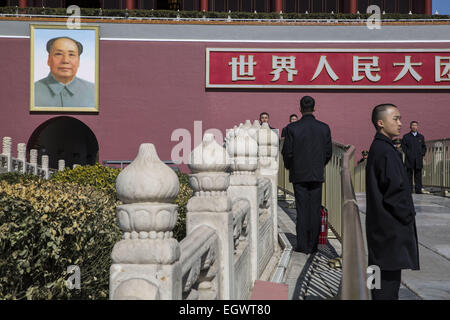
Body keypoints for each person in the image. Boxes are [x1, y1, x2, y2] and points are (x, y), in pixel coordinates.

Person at [366, 104, 420, 300]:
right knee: (388, 287)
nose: (400, 123)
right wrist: (408, 216)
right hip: (390, 231)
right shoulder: (387, 152)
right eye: (395, 118)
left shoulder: (377, 147)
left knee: (376, 278)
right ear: (381, 123)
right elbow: (395, 192)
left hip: (378, 231)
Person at [281, 96, 332, 254]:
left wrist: (291, 167)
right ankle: (314, 245)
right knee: (315, 209)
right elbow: (328, 152)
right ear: (314, 108)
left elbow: (287, 153)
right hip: (316, 173)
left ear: (300, 109)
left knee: (302, 210)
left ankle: (302, 245)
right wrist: (319, 165)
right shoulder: (324, 128)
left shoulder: (292, 128)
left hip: (299, 174)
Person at [34, 37, 95, 108]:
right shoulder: (32, 91)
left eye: (71, 55)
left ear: (78, 61)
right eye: (58, 54)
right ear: (49, 59)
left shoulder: (94, 91)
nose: (65, 60)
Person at [401, 121, 426, 194]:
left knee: (418, 175)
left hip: (418, 159)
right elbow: (404, 147)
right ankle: (409, 190)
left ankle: (418, 190)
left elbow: (424, 147)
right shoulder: (406, 137)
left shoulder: (421, 137)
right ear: (410, 127)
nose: (414, 127)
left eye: (416, 125)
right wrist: (408, 153)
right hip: (409, 159)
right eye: (413, 125)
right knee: (409, 175)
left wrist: (421, 154)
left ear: (417, 127)